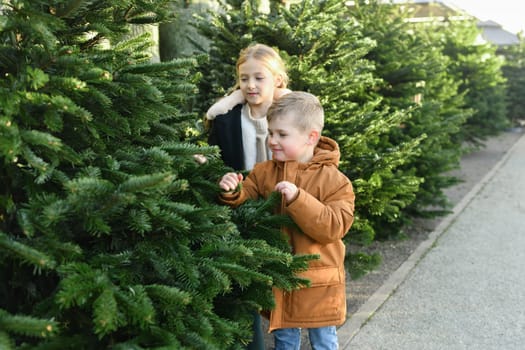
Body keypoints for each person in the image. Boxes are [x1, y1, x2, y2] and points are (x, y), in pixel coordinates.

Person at [218, 91, 355, 349]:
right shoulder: (264, 172)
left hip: (318, 282)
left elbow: (334, 226)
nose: (272, 141)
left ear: (310, 137)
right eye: (271, 133)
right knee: (284, 339)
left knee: (324, 340)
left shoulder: (336, 181)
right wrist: (231, 190)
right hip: (280, 279)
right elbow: (245, 196)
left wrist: (298, 199)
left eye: (282, 134)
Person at [206, 43, 290, 350]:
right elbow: (214, 159)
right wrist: (217, 174)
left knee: (282, 282)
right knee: (244, 280)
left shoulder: (290, 116)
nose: (251, 85)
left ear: (277, 80)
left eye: (259, 78)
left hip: (280, 207)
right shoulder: (226, 119)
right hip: (238, 205)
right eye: (244, 79)